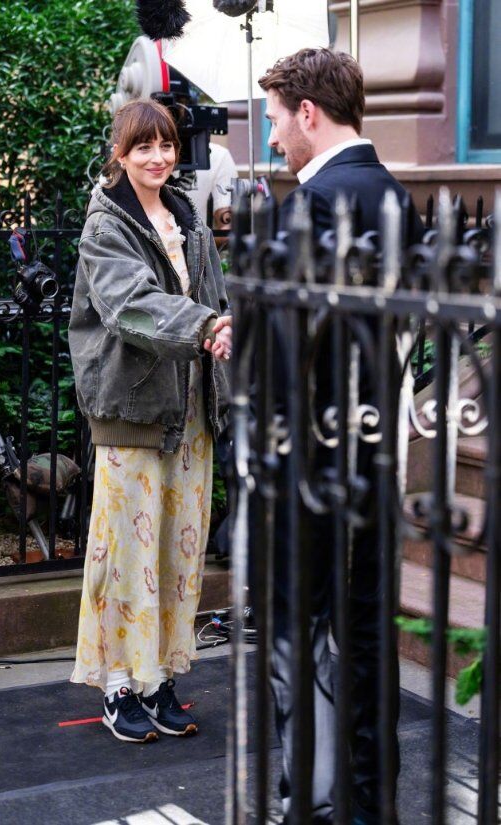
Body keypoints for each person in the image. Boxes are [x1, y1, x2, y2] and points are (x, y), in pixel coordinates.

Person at [257, 49, 423, 824]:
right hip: (378, 454)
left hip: (315, 463)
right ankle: (368, 798)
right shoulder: (395, 195)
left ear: (308, 113)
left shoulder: (313, 203)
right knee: (366, 635)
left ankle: (317, 803)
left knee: (304, 638)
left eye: (276, 119)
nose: (273, 137)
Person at [68, 99, 231, 744]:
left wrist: (222, 332)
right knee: (125, 553)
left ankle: (158, 676)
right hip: (132, 408)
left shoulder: (187, 216)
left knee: (178, 549)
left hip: (190, 411)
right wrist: (206, 326)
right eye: (144, 147)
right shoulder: (105, 225)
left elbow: (213, 298)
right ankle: (117, 685)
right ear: (121, 153)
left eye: (166, 145)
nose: (159, 157)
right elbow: (129, 306)